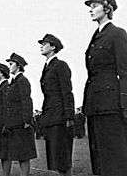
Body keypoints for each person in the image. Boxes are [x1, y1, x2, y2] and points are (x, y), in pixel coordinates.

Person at [83, 0, 127, 176]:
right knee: (100, 158)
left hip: (111, 105)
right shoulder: (96, 36)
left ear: (107, 8)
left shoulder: (117, 34)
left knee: (117, 157)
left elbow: (126, 71)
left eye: (95, 6)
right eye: (90, 7)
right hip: (95, 104)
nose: (91, 10)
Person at [38, 34, 75, 176]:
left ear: (53, 47)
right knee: (56, 157)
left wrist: (69, 116)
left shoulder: (60, 65)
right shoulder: (47, 66)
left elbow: (67, 91)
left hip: (60, 116)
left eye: (44, 43)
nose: (41, 46)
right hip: (51, 115)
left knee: (63, 158)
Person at [3, 53, 37, 176]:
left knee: (23, 155)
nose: (9, 66)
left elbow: (26, 100)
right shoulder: (13, 81)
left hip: (21, 124)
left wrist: (27, 121)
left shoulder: (22, 80)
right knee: (18, 153)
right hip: (13, 123)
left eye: (11, 64)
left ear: (18, 66)